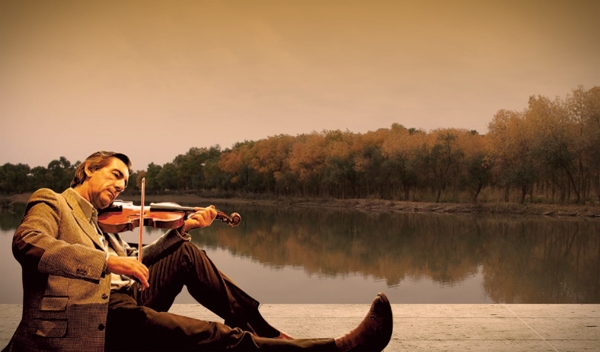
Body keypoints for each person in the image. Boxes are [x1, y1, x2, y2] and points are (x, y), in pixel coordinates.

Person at [4, 151, 393, 351]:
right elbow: (27, 243)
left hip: (121, 298)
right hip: (92, 315)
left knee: (186, 253)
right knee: (213, 338)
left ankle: (265, 331)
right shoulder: (52, 202)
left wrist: (184, 229)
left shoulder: (99, 222)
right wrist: (107, 260)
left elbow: (135, 266)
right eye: (114, 174)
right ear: (88, 169)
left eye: (125, 178)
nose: (121, 184)